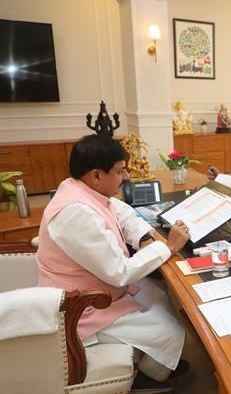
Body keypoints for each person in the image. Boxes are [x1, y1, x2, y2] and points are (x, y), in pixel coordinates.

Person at [36, 134, 191, 392]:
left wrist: (144, 239)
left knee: (159, 293)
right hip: (79, 309)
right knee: (171, 330)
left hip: (96, 292)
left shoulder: (79, 189)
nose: (127, 176)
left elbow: (122, 212)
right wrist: (168, 247)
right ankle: (150, 377)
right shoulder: (75, 213)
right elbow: (119, 272)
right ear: (96, 175)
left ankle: (152, 361)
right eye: (120, 171)